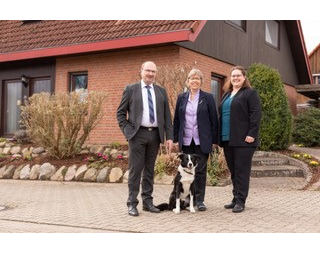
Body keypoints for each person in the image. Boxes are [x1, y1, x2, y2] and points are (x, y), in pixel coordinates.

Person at [117, 61, 173, 217]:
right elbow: (120, 114)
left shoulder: (161, 91)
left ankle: (147, 202)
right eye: (148, 70)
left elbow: (167, 117)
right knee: (135, 170)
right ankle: (132, 203)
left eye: (153, 72)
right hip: (137, 135)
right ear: (141, 71)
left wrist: (169, 137)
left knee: (149, 171)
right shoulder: (131, 89)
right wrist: (128, 132)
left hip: (155, 135)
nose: (150, 74)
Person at [173, 69, 218, 211]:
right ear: (188, 81)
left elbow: (214, 120)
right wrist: (175, 139)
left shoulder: (208, 98)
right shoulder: (181, 98)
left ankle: (200, 200)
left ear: (201, 81)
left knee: (200, 171)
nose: (194, 81)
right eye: (192, 78)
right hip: (186, 140)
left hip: (202, 140)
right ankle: (187, 199)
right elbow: (177, 120)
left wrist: (215, 140)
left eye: (198, 78)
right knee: (186, 171)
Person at [219, 66, 262, 213]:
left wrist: (252, 134)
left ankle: (241, 201)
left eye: (238, 75)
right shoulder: (226, 94)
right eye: (233, 76)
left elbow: (255, 115)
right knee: (233, 171)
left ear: (244, 78)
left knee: (241, 171)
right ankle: (235, 197)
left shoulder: (250, 93)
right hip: (227, 138)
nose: (235, 78)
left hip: (244, 140)